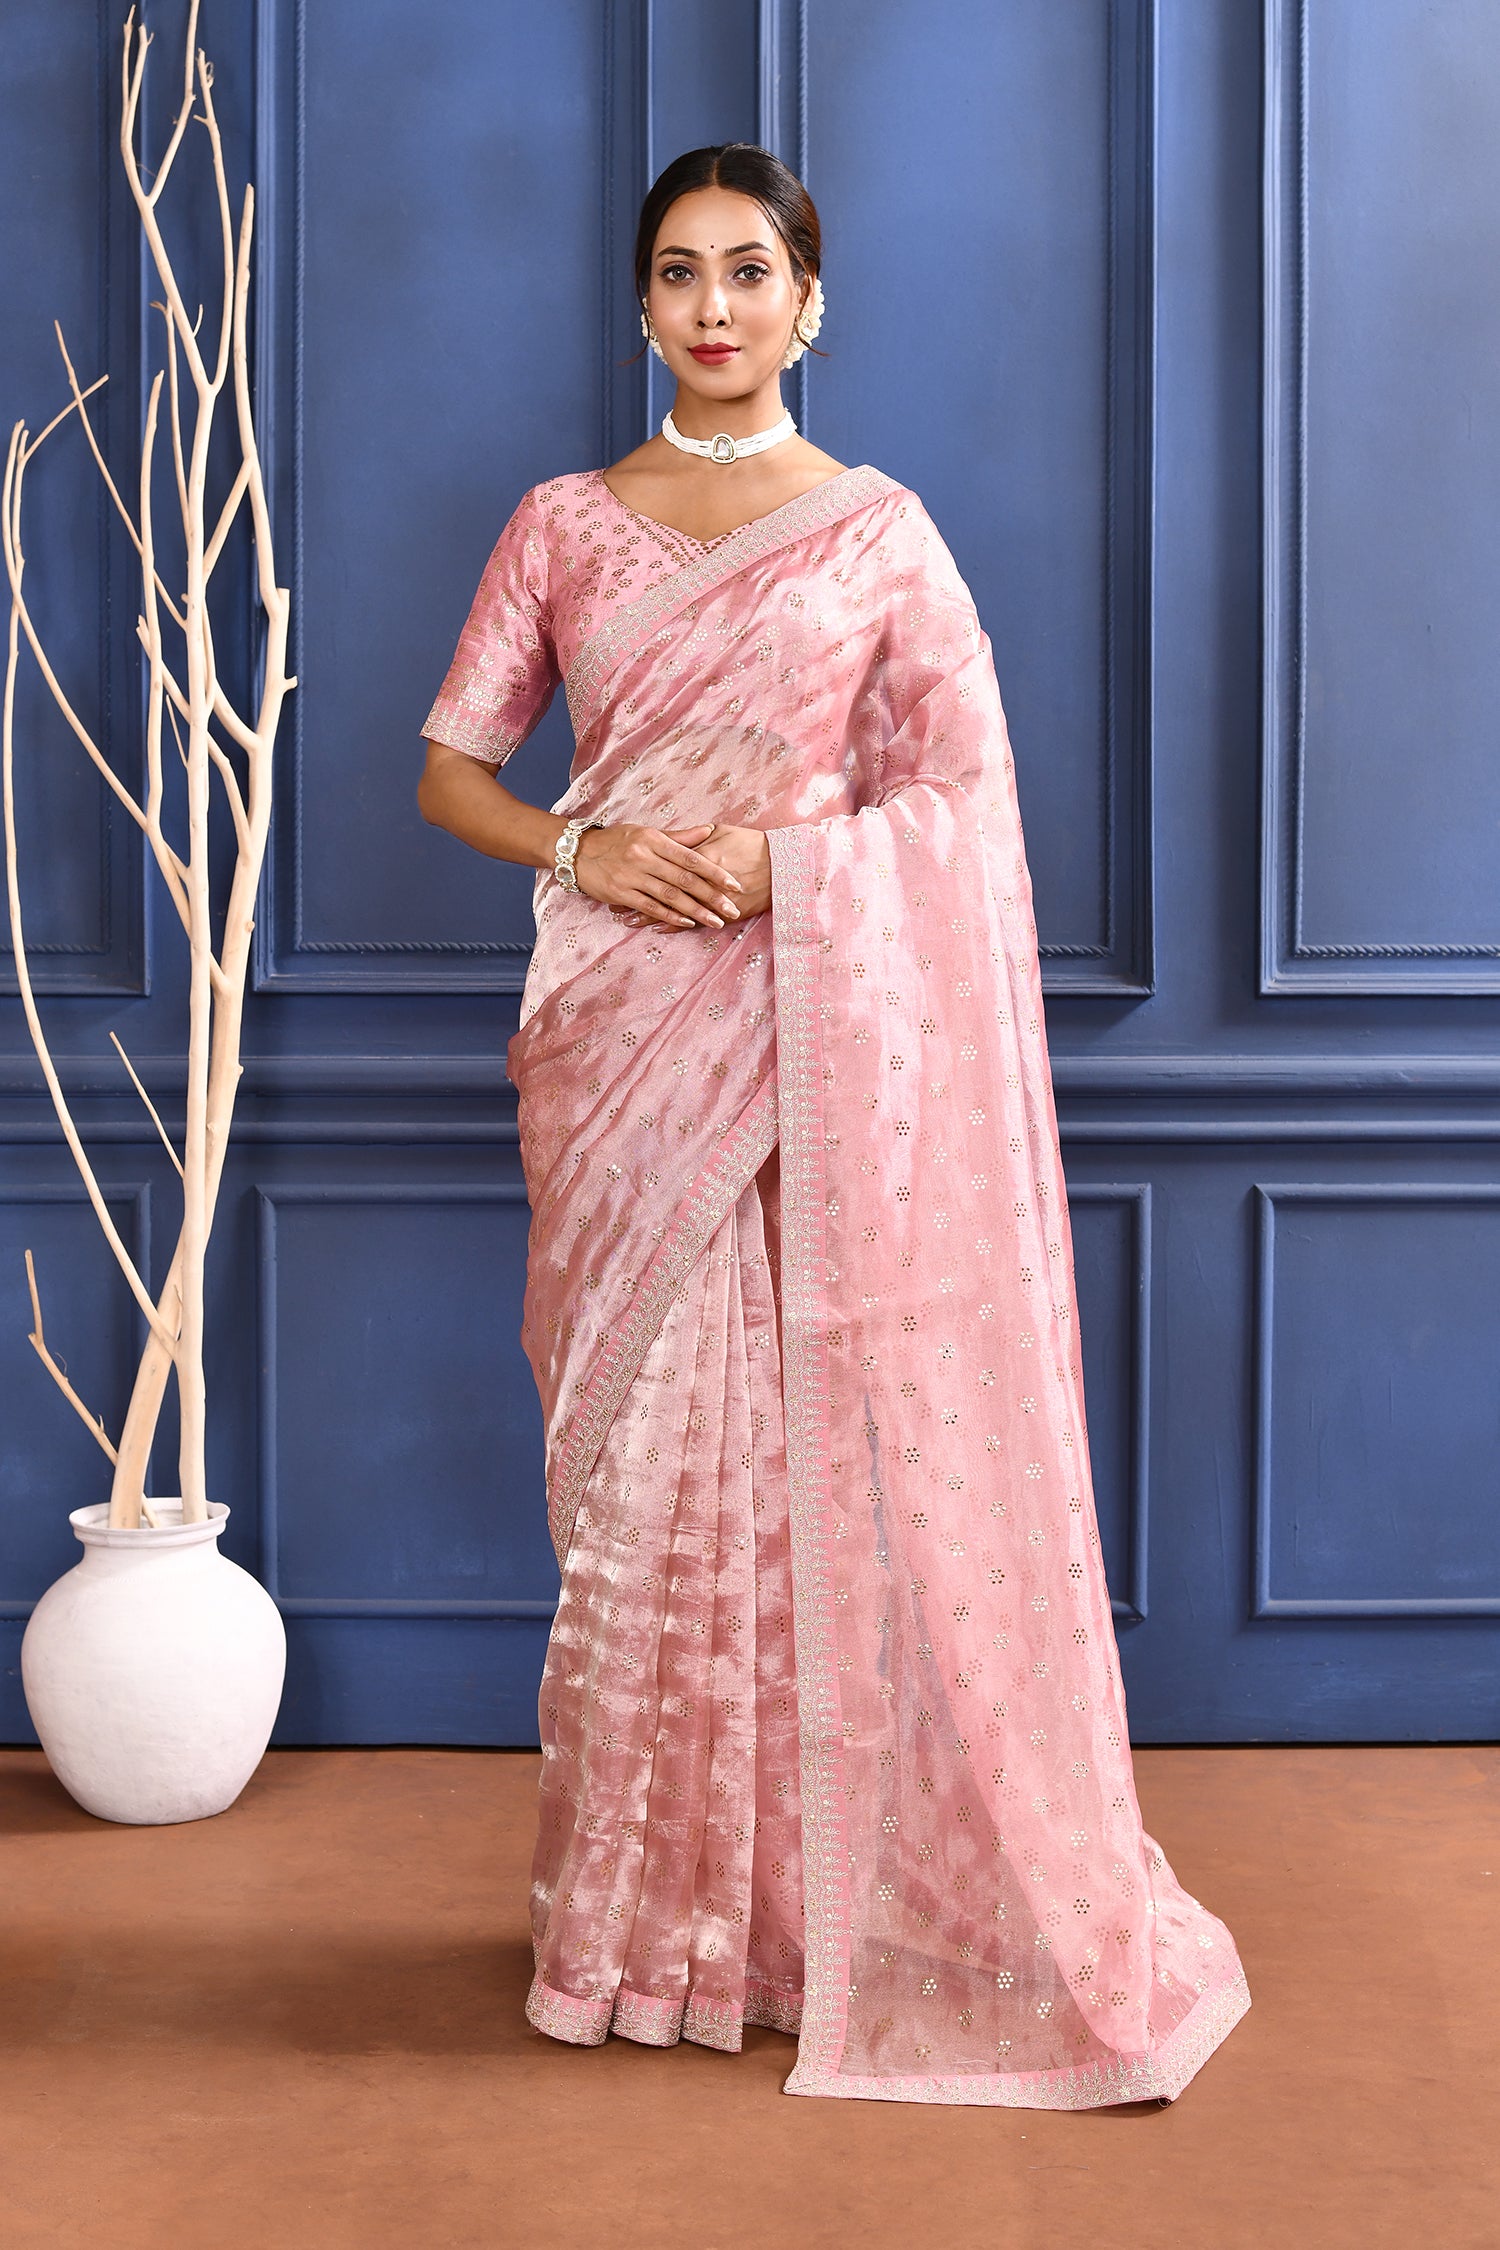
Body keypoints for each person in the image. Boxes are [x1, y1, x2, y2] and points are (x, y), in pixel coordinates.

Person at [416, 143, 1250, 2107]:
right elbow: (453, 770)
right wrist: (587, 849)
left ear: (809, 301)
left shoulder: (881, 538)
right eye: (679, 272)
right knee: (638, 1502)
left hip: (808, 1042)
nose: (714, 306)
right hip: (618, 1046)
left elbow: (965, 813)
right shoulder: (562, 525)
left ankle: (796, 1926)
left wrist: (788, 872)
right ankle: (638, 1939)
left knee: (798, 1486)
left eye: (749, 271)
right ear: (642, 304)